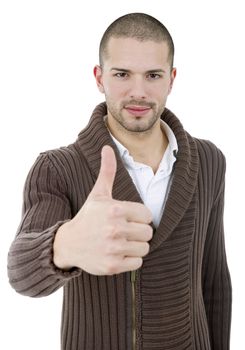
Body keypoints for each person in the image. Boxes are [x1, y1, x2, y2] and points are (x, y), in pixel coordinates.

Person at [7, 12, 232, 350]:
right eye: (122, 74)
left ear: (171, 79)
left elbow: (214, 282)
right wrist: (64, 245)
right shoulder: (57, 167)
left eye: (153, 75)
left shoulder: (209, 160)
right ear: (100, 78)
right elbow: (20, 272)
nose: (138, 92)